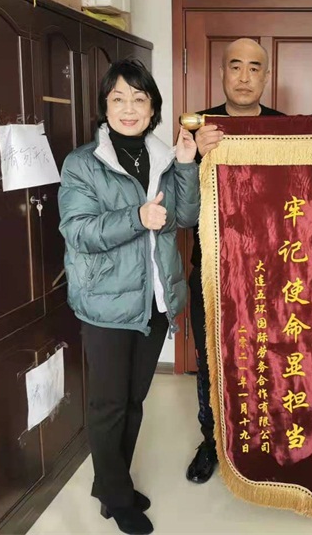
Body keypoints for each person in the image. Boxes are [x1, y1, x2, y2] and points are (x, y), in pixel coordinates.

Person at [58, 58, 199, 535]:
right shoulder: (83, 163)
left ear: (153, 107)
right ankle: (118, 498)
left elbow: (185, 217)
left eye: (139, 98)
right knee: (109, 405)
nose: (128, 108)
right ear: (104, 106)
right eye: (118, 98)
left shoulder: (162, 156)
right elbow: (78, 231)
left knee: (135, 399)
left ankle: (111, 486)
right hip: (106, 302)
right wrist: (136, 218)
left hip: (155, 299)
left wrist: (186, 164)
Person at [186, 38, 284, 484]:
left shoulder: (287, 131)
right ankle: (211, 441)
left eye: (254, 68)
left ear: (267, 76)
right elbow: (177, 199)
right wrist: (193, 156)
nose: (245, 77)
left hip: (273, 272)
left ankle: (272, 437)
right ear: (222, 72)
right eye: (236, 66)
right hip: (213, 271)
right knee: (212, 357)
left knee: (274, 354)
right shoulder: (197, 127)